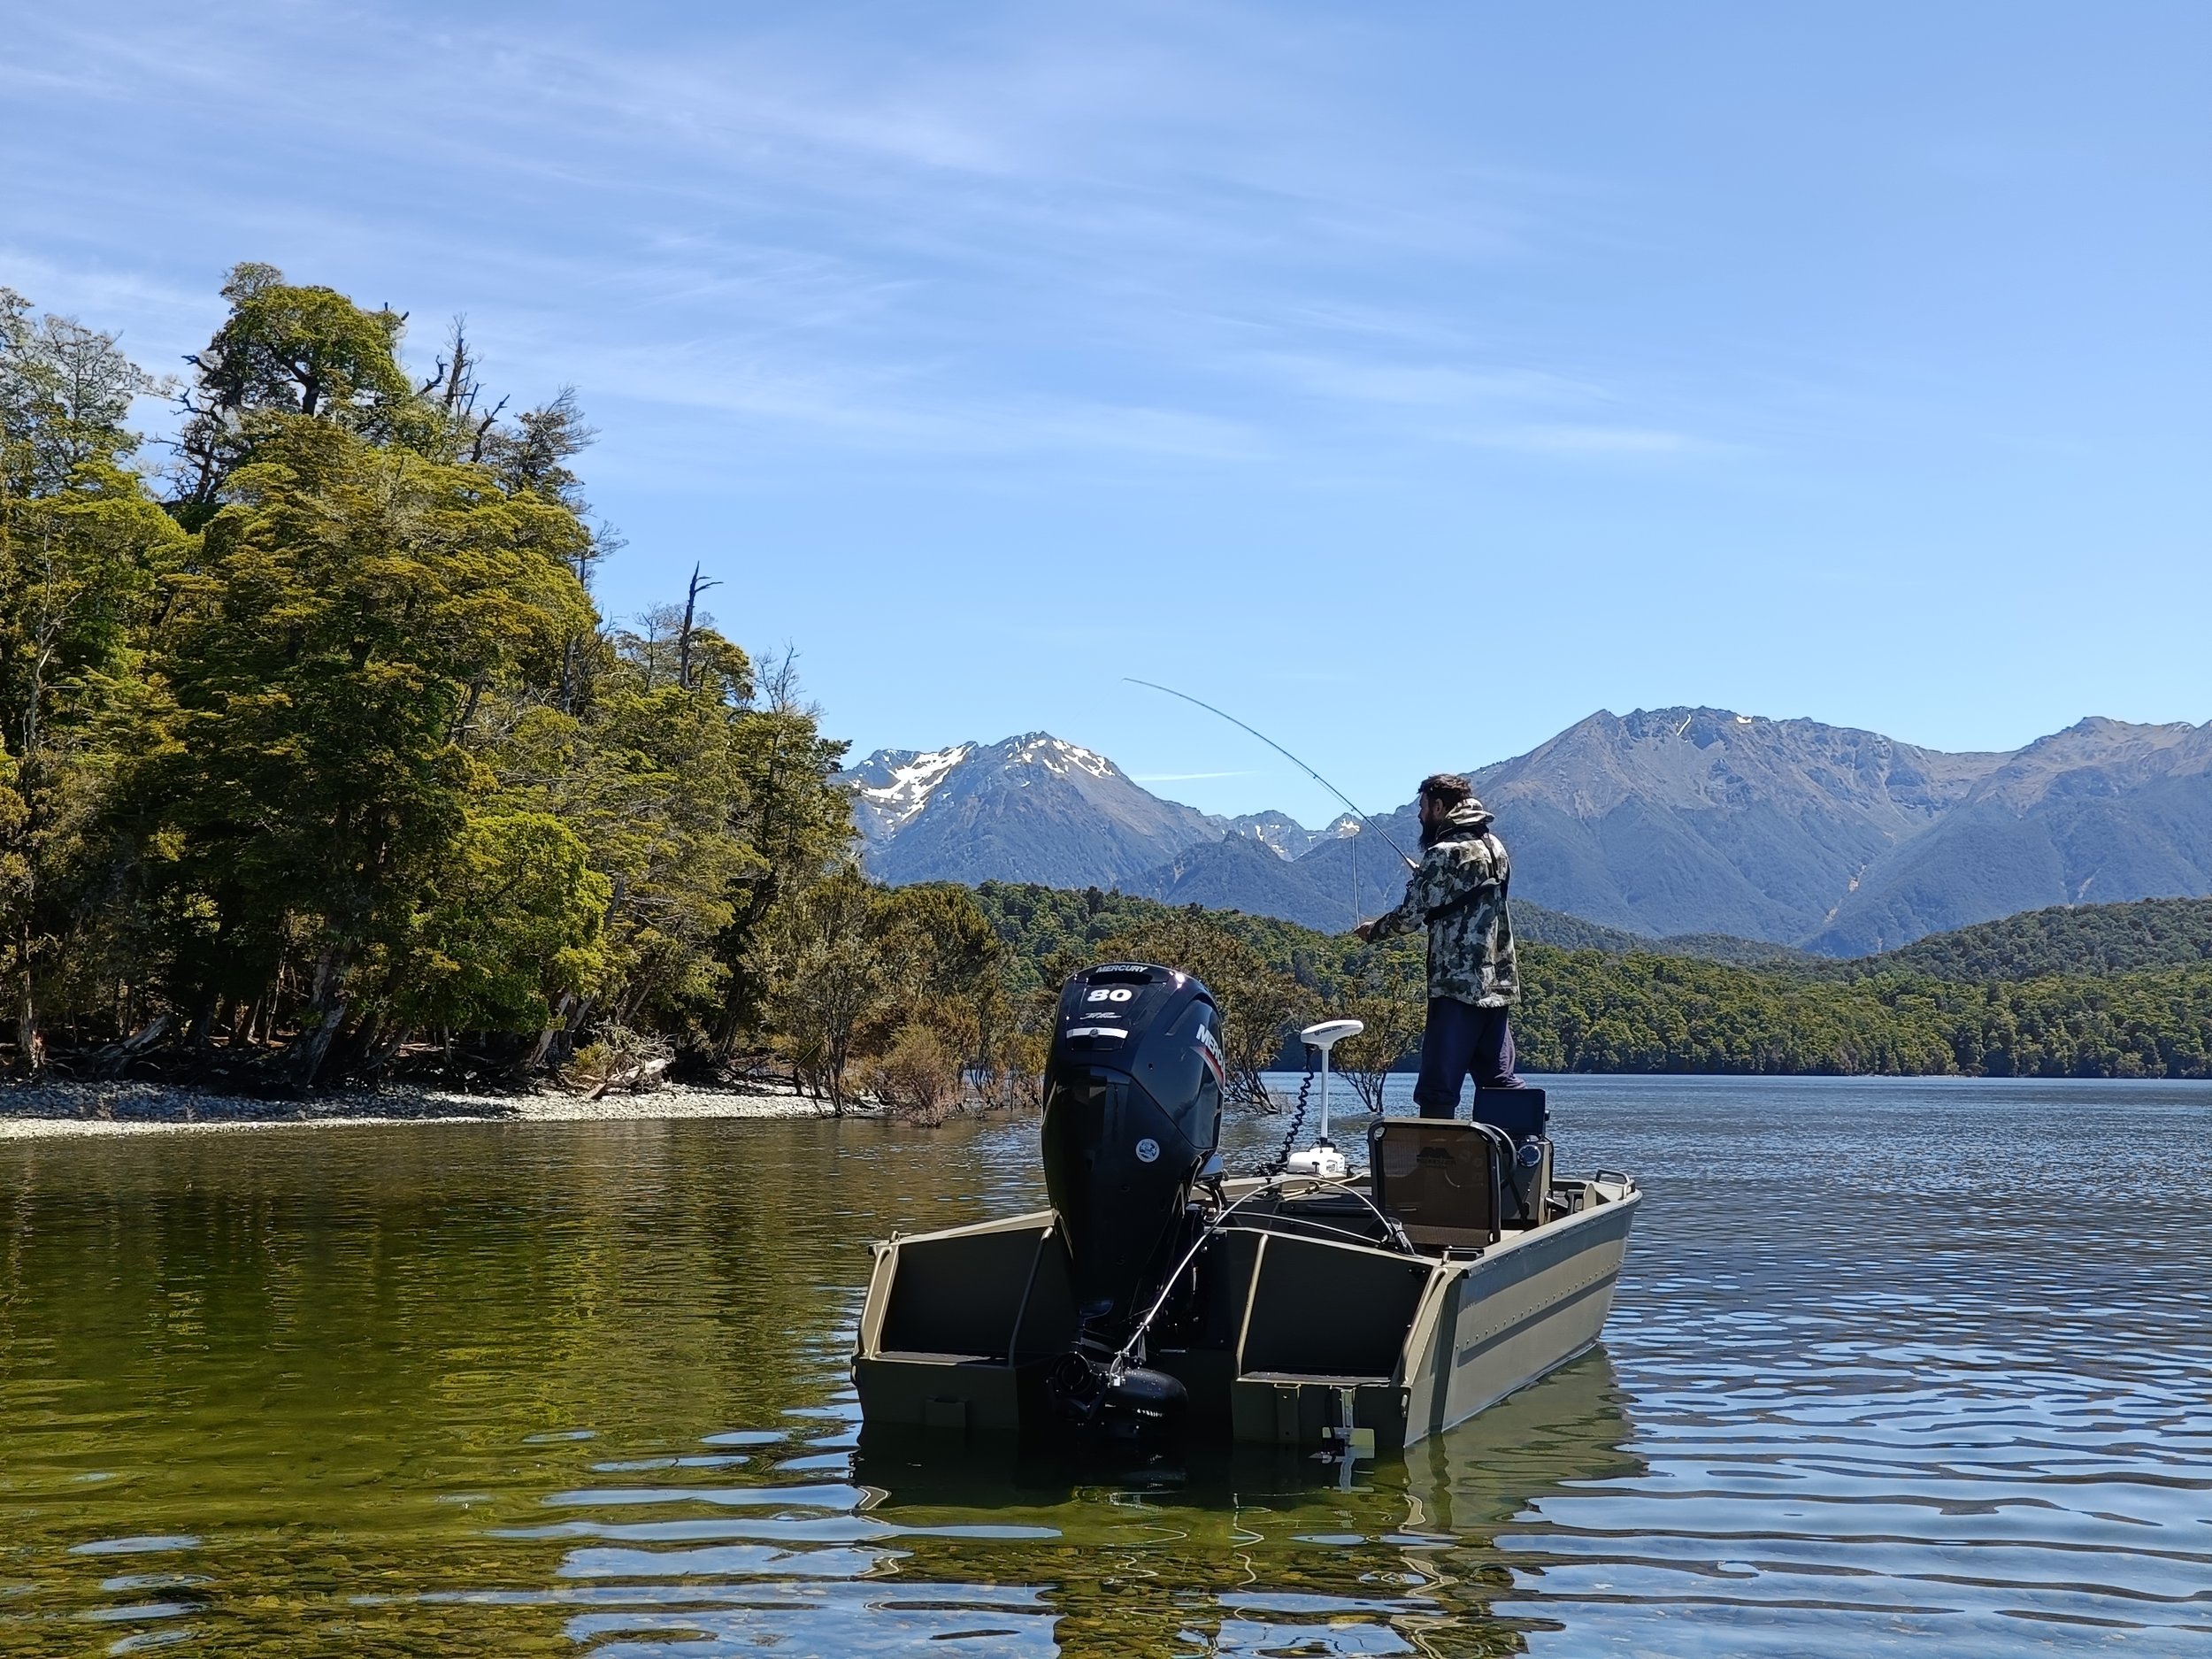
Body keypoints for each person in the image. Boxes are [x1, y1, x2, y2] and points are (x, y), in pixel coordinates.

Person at [1353, 772, 1524, 1117]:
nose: (1419, 815)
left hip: (1455, 988)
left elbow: (1410, 917)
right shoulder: (1495, 848)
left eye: (1423, 807)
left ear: (1439, 806)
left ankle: (1437, 1164)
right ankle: (1512, 1160)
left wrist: (1372, 931)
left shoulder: (1444, 853)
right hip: (1499, 987)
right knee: (1498, 1082)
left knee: (1437, 1091)